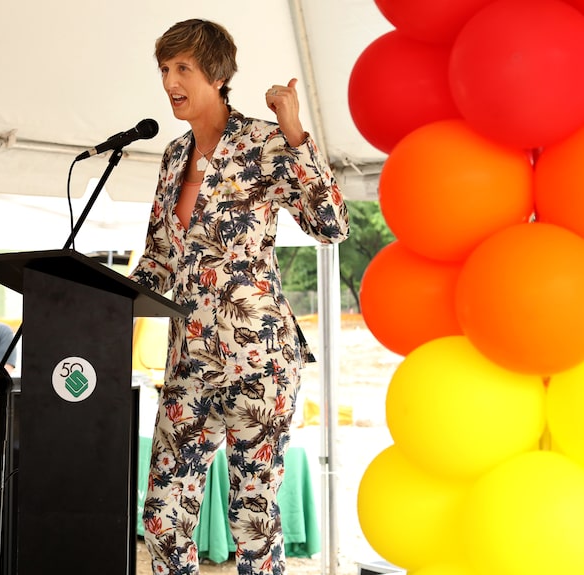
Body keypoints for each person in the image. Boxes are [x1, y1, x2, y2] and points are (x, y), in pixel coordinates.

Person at [128, 19, 350, 575]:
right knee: (161, 514)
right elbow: (158, 258)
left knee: (252, 515)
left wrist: (295, 132)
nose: (169, 81)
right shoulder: (172, 156)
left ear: (217, 75)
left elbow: (331, 224)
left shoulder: (264, 142)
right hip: (189, 363)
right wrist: (101, 297)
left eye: (183, 68)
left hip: (260, 359)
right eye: (164, 69)